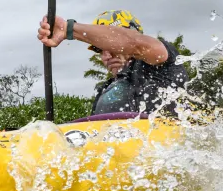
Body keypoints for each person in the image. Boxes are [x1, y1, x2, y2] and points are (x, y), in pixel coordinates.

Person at [38, 10, 189, 116]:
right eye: (100, 49)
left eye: (110, 46)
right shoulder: (106, 89)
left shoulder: (160, 63)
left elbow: (135, 43)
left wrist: (68, 29)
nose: (106, 55)